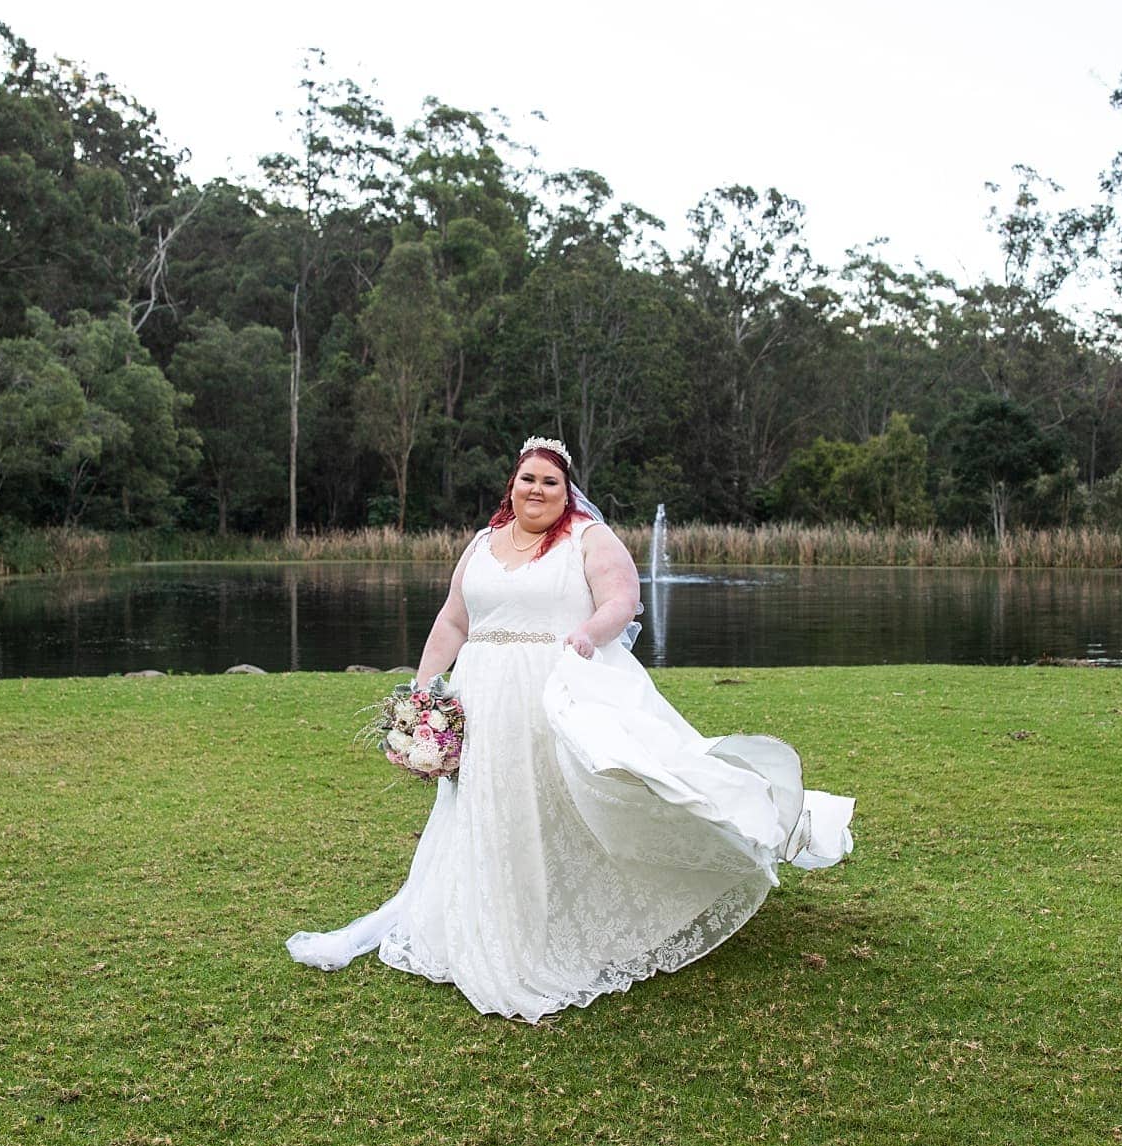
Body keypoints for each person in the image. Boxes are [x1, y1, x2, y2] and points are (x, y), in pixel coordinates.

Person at [287, 436, 854, 1022]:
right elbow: (454, 618)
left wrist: (587, 634)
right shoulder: (482, 544)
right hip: (479, 694)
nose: (537, 489)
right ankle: (486, 914)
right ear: (512, 484)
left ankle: (559, 911)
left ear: (567, 490)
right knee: (484, 804)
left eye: (550, 482)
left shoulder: (588, 537)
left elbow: (623, 601)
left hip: (549, 688)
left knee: (553, 800)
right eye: (527, 479)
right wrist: (423, 692)